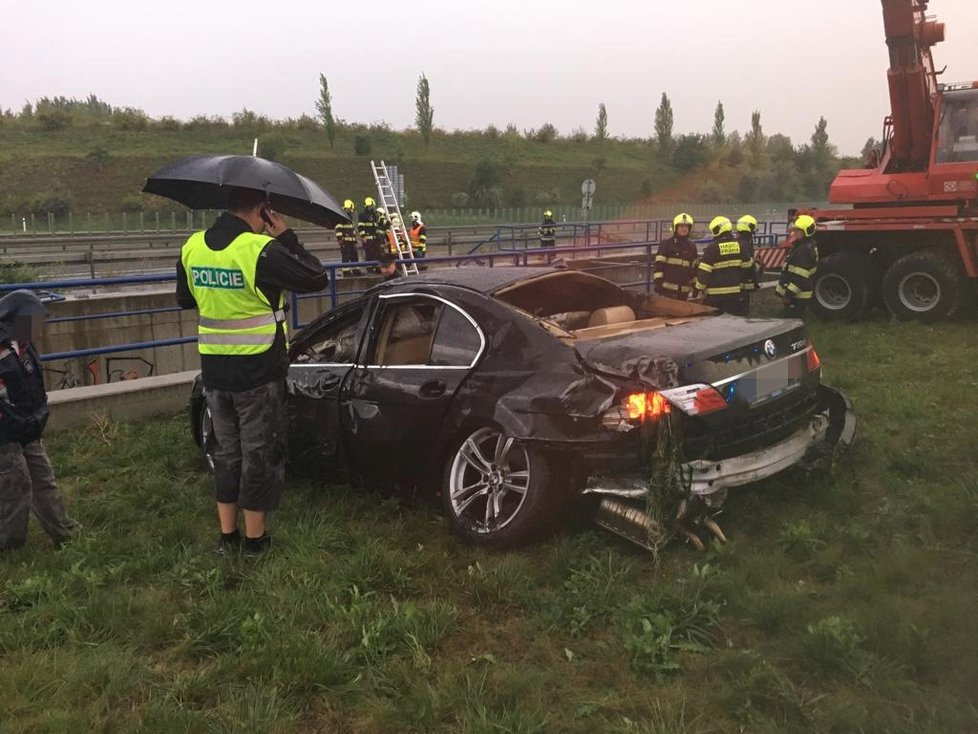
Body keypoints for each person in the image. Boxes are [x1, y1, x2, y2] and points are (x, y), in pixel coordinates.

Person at [176, 187, 329, 556]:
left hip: (214, 370)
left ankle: (227, 537)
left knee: (226, 452)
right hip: (258, 371)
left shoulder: (192, 246)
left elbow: (185, 299)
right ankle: (255, 542)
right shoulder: (260, 251)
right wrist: (287, 236)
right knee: (260, 453)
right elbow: (315, 278)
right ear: (264, 210)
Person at [0, 290, 80, 551]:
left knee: (44, 480)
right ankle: (10, 547)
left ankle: (64, 533)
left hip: (27, 428)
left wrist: (38, 415)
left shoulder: (24, 347)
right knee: (16, 486)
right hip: (5, 435)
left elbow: (33, 386)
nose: (39, 328)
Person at [694, 216, 754, 316]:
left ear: (716, 230)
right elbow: (749, 267)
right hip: (736, 295)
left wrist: (698, 289)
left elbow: (704, 273)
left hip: (715, 297)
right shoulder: (740, 246)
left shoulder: (712, 248)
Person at [776, 214, 819, 318]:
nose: (793, 233)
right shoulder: (804, 246)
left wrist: (788, 295)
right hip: (798, 295)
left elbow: (800, 278)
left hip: (797, 296)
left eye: (797, 231)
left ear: (806, 232)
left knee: (792, 323)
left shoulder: (803, 250)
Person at [653, 213, 698, 300]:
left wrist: (695, 287)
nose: (684, 229)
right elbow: (658, 266)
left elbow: (694, 270)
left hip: (684, 292)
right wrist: (658, 284)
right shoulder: (666, 244)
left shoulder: (692, 247)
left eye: (686, 226)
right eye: (681, 226)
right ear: (675, 228)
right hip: (667, 291)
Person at [736, 214, 763, 307]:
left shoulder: (736, 242)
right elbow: (748, 266)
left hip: (736, 286)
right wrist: (758, 266)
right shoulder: (745, 244)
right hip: (743, 287)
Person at [334, 199, 360, 274]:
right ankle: (346, 272)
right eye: (350, 209)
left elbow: (351, 229)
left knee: (354, 256)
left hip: (351, 241)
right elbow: (338, 228)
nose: (351, 211)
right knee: (346, 257)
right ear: (347, 208)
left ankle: (356, 270)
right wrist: (340, 239)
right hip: (345, 241)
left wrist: (354, 239)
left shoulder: (349, 217)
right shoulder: (341, 217)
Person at [358, 196, 381, 267]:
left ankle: (376, 267)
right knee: (369, 254)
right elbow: (360, 227)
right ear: (367, 206)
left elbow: (376, 227)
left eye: (372, 206)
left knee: (376, 253)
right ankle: (369, 268)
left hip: (374, 238)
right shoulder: (362, 216)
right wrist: (363, 236)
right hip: (367, 239)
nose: (372, 208)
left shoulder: (374, 216)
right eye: (370, 206)